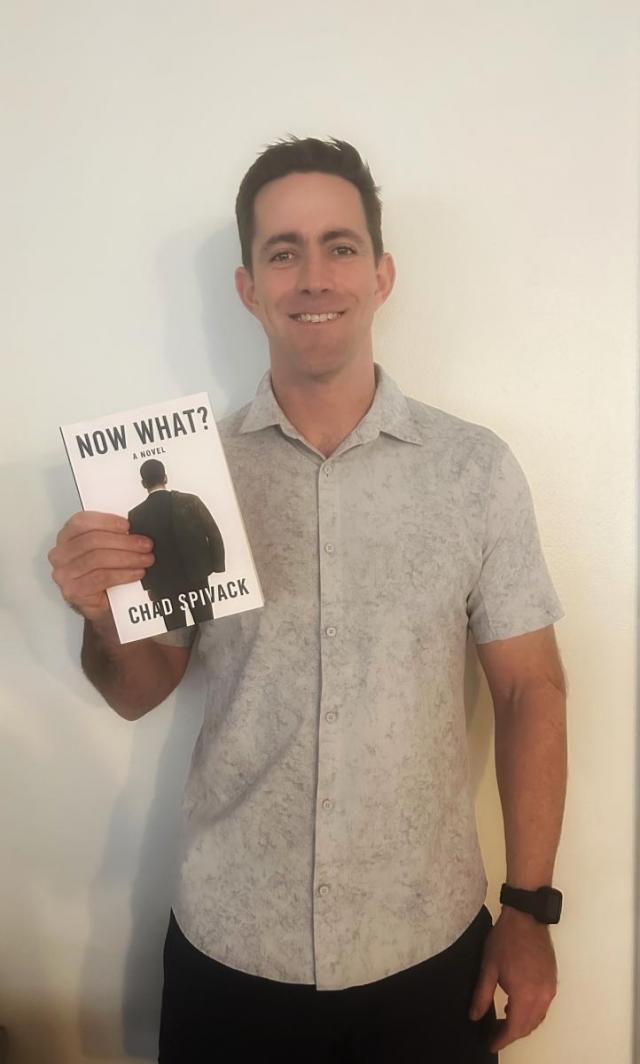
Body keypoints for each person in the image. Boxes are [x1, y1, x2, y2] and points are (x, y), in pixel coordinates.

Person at [48, 137, 567, 1063]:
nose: (314, 276)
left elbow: (532, 690)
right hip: (231, 949)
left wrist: (531, 909)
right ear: (249, 287)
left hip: (426, 947)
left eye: (340, 246)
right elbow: (137, 689)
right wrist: (102, 615)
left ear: (381, 274)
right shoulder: (197, 476)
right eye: (284, 252)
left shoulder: (474, 470)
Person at [127, 459, 226, 630]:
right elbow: (213, 534)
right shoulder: (190, 501)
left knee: (176, 632)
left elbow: (139, 554)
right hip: (197, 576)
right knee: (207, 627)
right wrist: (217, 566)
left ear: (143, 483)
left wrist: (149, 585)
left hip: (163, 584)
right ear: (165, 477)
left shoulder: (135, 515)